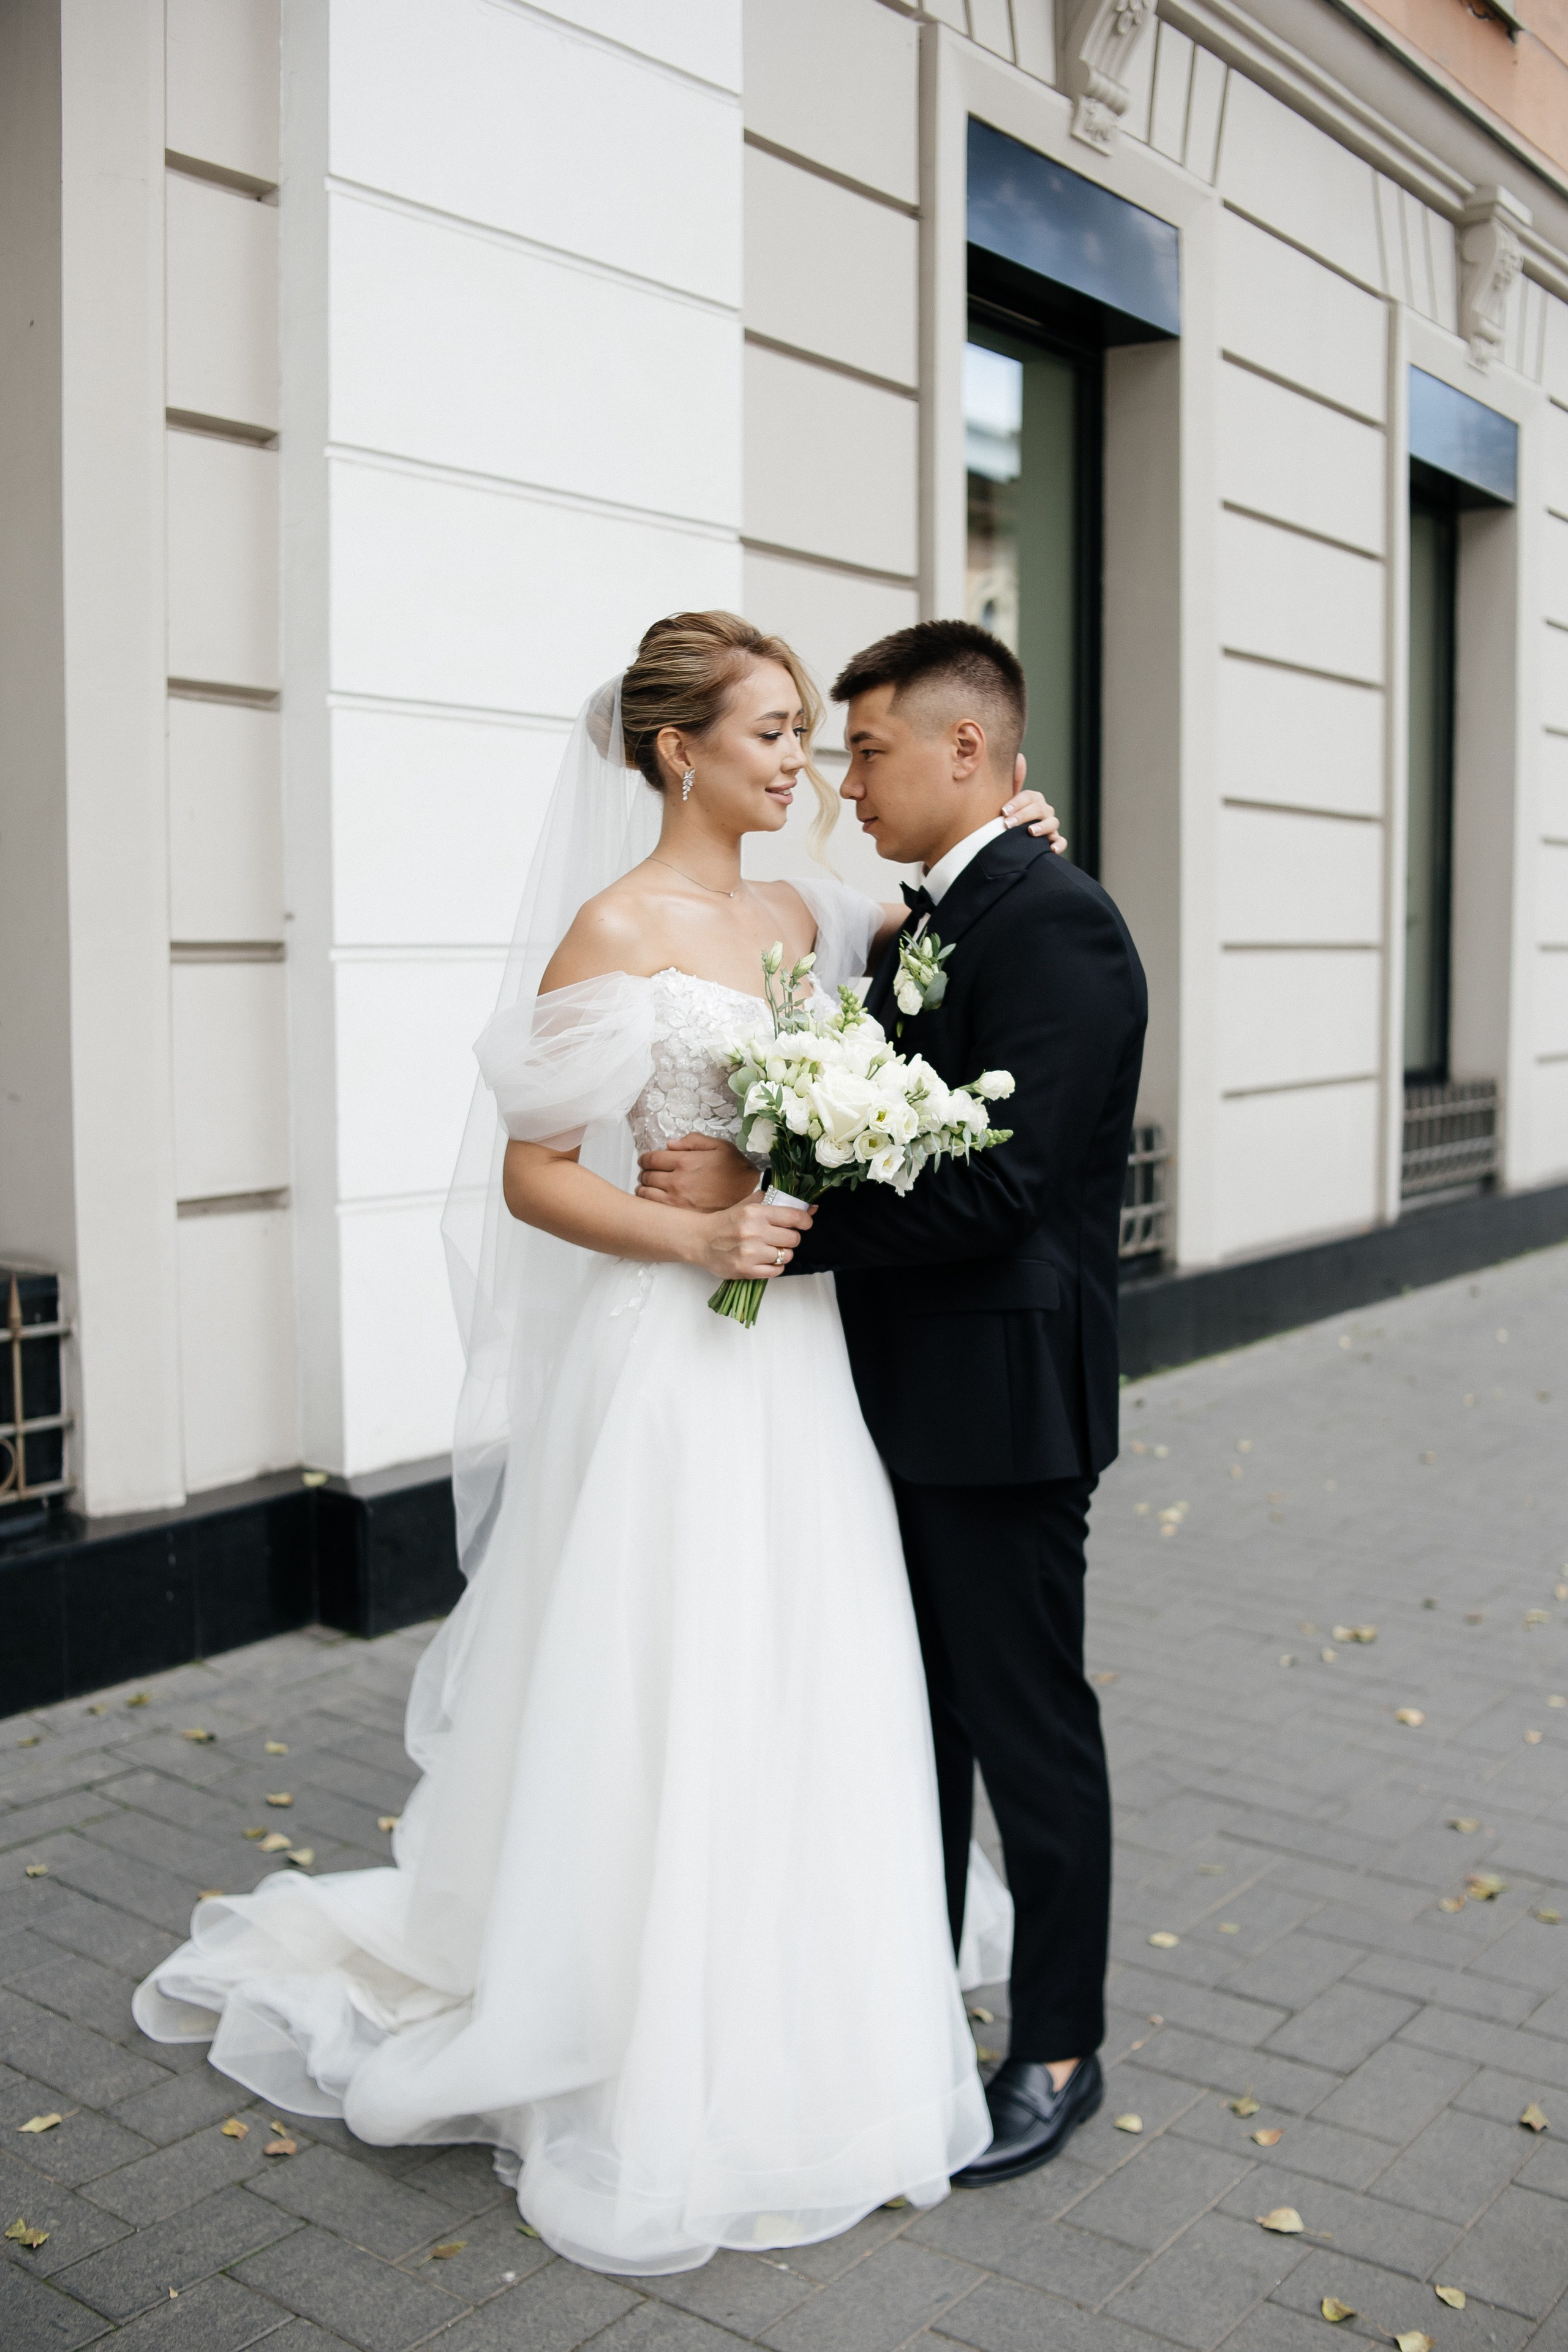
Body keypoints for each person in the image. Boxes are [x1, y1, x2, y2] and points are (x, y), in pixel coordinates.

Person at [132, 611, 1061, 2277]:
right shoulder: (611, 930)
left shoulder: (819, 909)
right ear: (673, 751)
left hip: (809, 1355)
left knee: (814, 1656)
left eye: (809, 733)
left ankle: (809, 1979)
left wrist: (1032, 834)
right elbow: (534, 1174)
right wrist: (690, 1244)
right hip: (683, 1352)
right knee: (676, 1665)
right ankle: (636, 2004)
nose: (802, 765)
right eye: (773, 734)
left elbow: (954, 920)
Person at [639, 619, 1147, 2184]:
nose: (843, 782)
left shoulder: (1056, 925)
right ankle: (910, 2011)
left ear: (966, 754)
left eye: (863, 752)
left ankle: (1057, 2043)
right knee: (908, 1729)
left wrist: (779, 1227)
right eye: (831, 749)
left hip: (999, 1408)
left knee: (1022, 1726)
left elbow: (1000, 1189)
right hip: (896, 1397)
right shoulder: (930, 916)